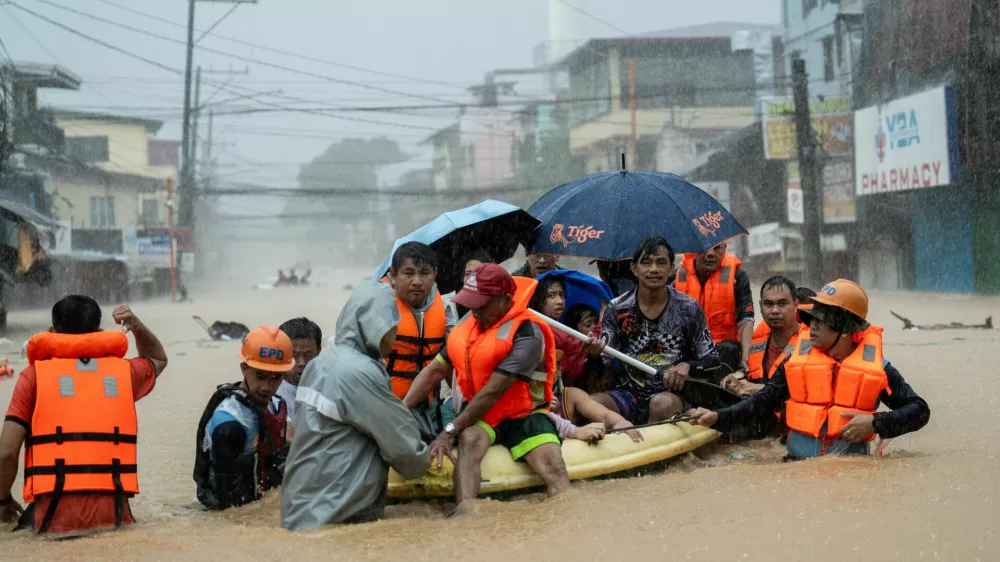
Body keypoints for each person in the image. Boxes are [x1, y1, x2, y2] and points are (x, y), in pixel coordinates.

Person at [688, 279, 931, 459]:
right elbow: (761, 404)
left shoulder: (880, 370)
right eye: (810, 319)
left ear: (845, 328)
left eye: (820, 321)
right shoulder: (794, 364)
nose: (810, 327)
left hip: (851, 474)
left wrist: (876, 423)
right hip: (793, 465)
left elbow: (920, 411)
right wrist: (718, 417)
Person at [0, 296, 168, 534]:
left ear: (51, 331)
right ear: (98, 332)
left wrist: (3, 501)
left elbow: (6, 455)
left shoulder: (33, 377)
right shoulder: (125, 374)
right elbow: (158, 359)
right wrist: (136, 325)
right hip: (115, 513)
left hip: (52, 517)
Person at [406, 264, 572, 504]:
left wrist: (448, 432)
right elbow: (434, 371)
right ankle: (465, 514)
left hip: (524, 414)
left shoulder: (528, 334)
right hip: (482, 415)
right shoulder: (466, 329)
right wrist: (401, 409)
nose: (475, 312)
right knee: (470, 440)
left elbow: (492, 392)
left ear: (506, 299)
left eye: (482, 304)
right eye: (472, 304)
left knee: (552, 463)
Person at [281, 282, 429, 531]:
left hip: (301, 508)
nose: (396, 336)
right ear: (377, 326)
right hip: (334, 515)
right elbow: (405, 451)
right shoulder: (357, 372)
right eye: (393, 327)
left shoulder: (323, 363)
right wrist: (426, 458)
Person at [594, 237, 723, 424]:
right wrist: (593, 354)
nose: (654, 269)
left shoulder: (689, 308)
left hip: (672, 396)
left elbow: (713, 361)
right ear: (634, 269)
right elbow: (602, 364)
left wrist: (688, 366)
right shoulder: (616, 308)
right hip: (628, 394)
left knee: (659, 404)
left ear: (672, 268)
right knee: (593, 403)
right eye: (646, 262)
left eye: (661, 262)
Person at [194, 326, 293, 511]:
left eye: (276, 377)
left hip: (257, 491)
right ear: (244, 369)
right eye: (260, 376)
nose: (267, 387)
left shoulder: (275, 404)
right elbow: (230, 505)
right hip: (220, 513)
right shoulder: (229, 424)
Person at [385, 242, 457, 434]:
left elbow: (451, 361)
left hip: (427, 406)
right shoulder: (378, 306)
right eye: (408, 273)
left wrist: (461, 406)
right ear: (393, 275)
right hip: (383, 406)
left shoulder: (444, 308)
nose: (417, 281)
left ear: (435, 274)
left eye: (424, 273)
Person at [672, 242, 754, 370]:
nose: (710, 253)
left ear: (725, 248)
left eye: (717, 248)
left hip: (723, 352)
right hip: (689, 351)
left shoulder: (738, 277)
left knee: (730, 348)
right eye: (703, 248)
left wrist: (745, 357)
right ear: (693, 250)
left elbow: (746, 319)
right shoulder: (674, 279)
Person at [721, 276, 804, 398]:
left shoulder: (811, 342)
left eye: (782, 303)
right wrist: (738, 381)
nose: (775, 310)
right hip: (760, 410)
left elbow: (809, 390)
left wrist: (759, 389)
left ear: (796, 304)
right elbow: (755, 381)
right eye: (768, 304)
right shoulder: (757, 343)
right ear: (760, 306)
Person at [274, 317, 323, 430]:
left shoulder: (330, 386)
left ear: (319, 352)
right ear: (281, 352)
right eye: (293, 355)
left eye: (309, 355)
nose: (302, 363)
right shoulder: (269, 391)